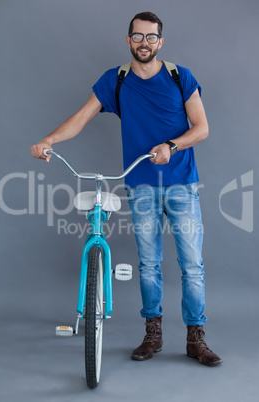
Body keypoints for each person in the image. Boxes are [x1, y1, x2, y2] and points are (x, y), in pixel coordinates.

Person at [30, 11, 222, 366]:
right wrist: (49, 139)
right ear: (128, 39)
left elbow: (202, 128)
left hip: (181, 185)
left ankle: (196, 338)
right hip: (140, 187)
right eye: (138, 36)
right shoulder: (115, 80)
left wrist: (172, 146)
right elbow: (82, 117)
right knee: (149, 265)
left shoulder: (180, 76)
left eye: (151, 37)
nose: (144, 43)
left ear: (160, 42)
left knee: (192, 266)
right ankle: (153, 334)